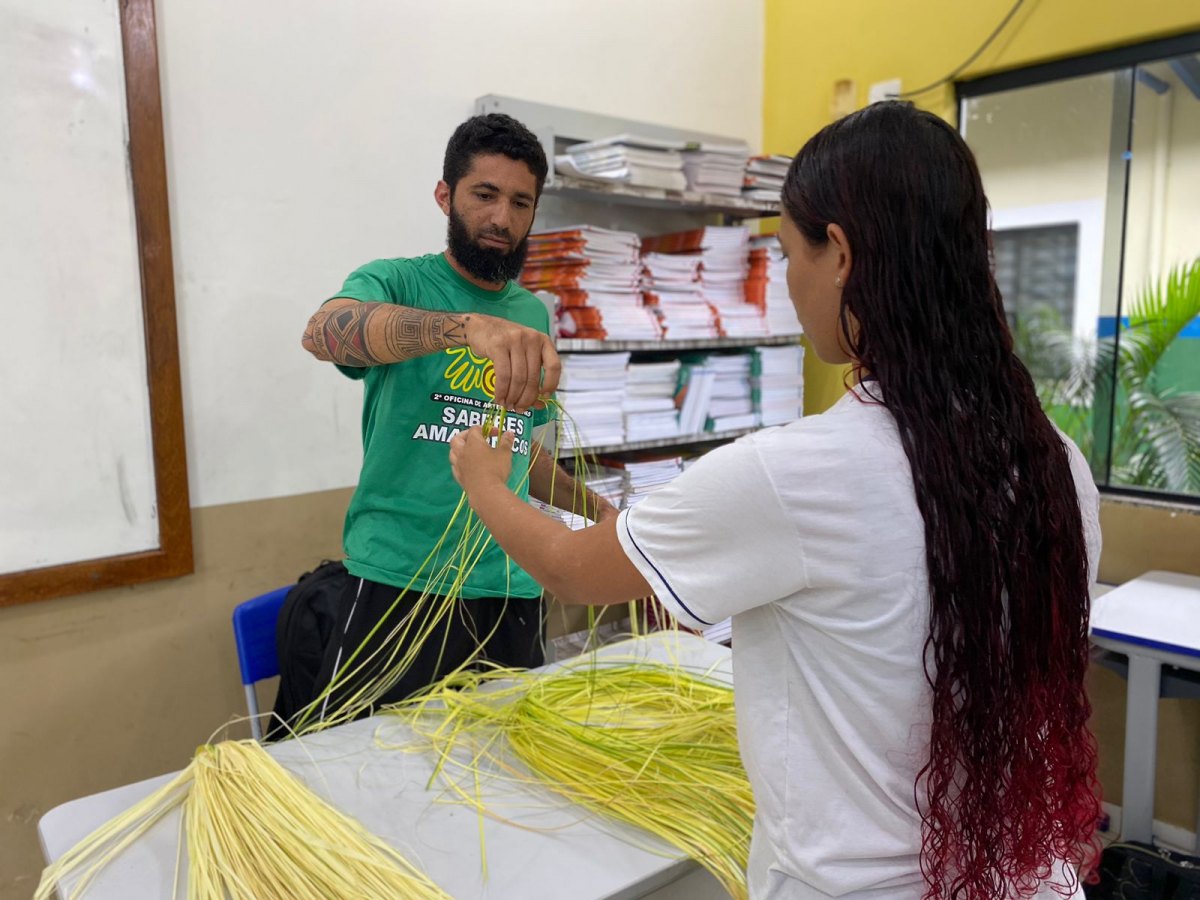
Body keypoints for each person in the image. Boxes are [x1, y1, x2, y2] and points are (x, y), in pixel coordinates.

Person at [447, 101, 1102, 900]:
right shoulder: (1056, 462)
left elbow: (574, 573)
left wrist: (484, 476)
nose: (787, 281)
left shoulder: (800, 473)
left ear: (842, 256)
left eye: (788, 252)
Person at [298, 113, 617, 722]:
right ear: (446, 195)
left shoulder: (533, 313)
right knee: (374, 771)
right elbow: (324, 334)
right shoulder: (395, 282)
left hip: (510, 584)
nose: (502, 218)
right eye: (485, 195)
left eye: (521, 202)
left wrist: (596, 510)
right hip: (399, 582)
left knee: (505, 780)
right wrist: (464, 328)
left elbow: (520, 450)